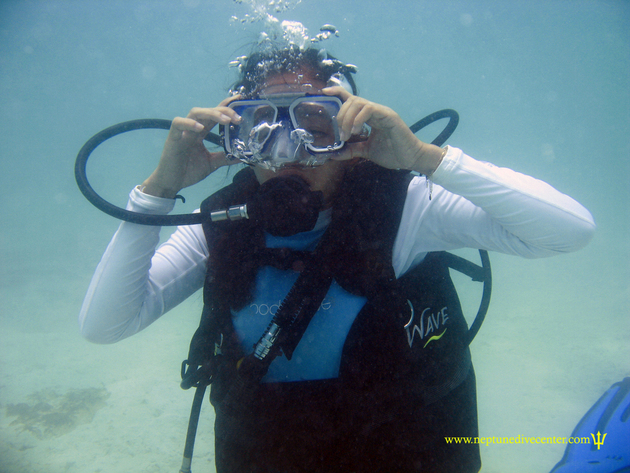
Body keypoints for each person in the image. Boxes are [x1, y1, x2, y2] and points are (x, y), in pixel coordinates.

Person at [79, 45, 596, 473]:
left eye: (315, 125)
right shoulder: (223, 224)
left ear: (354, 128)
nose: (286, 151)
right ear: (233, 139)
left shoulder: (408, 209)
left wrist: (423, 159)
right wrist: (158, 190)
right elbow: (105, 325)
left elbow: (568, 231)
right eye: (259, 127)